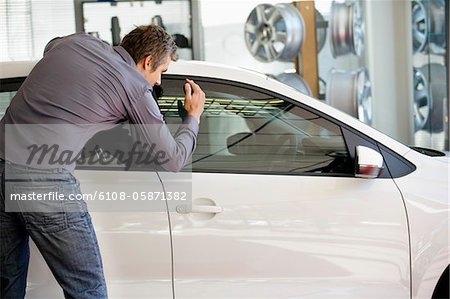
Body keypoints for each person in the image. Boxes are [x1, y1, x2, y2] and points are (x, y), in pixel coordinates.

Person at [0, 25, 205, 298]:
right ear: (146, 62)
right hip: (44, 180)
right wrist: (193, 117)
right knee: (87, 289)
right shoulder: (135, 87)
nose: (157, 82)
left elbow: (51, 45)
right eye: (161, 71)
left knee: (7, 284)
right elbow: (173, 160)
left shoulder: (77, 42)